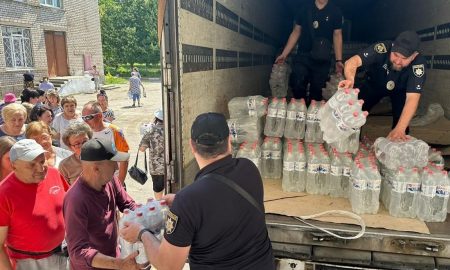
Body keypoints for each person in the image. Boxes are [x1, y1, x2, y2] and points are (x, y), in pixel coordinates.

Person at [121, 112, 275, 270]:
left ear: (192, 146)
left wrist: (141, 233)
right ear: (229, 141)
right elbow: (223, 200)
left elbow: (168, 265)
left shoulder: (188, 201)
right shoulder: (249, 169)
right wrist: (183, 202)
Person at [63, 138, 139, 270]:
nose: (117, 167)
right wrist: (120, 265)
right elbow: (78, 252)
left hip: (113, 258)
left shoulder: (110, 180)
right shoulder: (76, 200)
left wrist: (149, 218)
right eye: (113, 163)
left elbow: (128, 204)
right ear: (96, 168)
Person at [339, 30, 426, 141]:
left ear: (414, 56)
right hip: (374, 84)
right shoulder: (383, 48)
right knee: (355, 112)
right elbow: (352, 62)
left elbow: (413, 99)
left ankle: (395, 147)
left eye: (404, 58)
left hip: (400, 91)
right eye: (395, 55)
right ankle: (349, 141)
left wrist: (400, 128)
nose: (398, 61)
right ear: (393, 46)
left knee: (401, 126)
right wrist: (350, 79)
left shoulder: (418, 64)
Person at [0, 139, 69, 269]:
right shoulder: (3, 194)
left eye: (42, 161)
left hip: (62, 253)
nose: (40, 168)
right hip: (28, 263)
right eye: (32, 165)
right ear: (14, 166)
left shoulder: (54, 173)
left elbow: (70, 203)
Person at [275, 0, 343, 102]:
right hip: (303, 55)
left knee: (317, 92)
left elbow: (337, 35)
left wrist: (339, 60)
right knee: (297, 83)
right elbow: (296, 31)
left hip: (322, 59)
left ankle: (311, 112)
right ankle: (300, 107)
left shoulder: (335, 11)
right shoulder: (304, 9)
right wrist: (284, 54)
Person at [81, 101, 129, 184]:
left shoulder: (115, 131)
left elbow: (124, 159)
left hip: (113, 181)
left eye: (88, 117)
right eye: (83, 118)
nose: (85, 121)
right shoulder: (84, 133)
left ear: (100, 116)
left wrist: (120, 183)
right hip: (94, 182)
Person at [139, 109, 165, 200]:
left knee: (158, 190)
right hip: (172, 166)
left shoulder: (150, 130)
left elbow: (142, 149)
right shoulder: (173, 129)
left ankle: (160, 207)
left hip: (156, 167)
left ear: (156, 118)